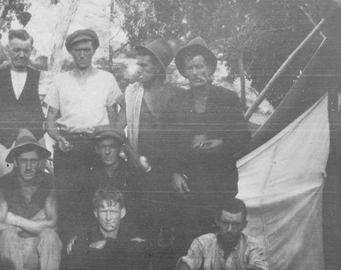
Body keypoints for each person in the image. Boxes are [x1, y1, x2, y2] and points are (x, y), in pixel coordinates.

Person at [44, 29, 123, 237]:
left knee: (98, 201)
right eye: (77, 50)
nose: (82, 54)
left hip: (96, 148)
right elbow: (50, 122)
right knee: (68, 204)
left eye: (86, 50)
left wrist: (111, 137)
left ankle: (96, 250)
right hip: (67, 147)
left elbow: (119, 113)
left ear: (94, 50)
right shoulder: (60, 81)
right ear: (70, 52)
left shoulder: (107, 79)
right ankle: (67, 256)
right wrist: (59, 138)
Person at [173, 37, 251, 241]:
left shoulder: (226, 98)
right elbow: (168, 143)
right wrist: (175, 172)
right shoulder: (177, 103)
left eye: (200, 66)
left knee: (221, 237)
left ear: (209, 68)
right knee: (191, 238)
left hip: (220, 181)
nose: (196, 73)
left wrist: (221, 143)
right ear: (185, 72)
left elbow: (243, 137)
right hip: (190, 185)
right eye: (190, 68)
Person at [118, 39, 184, 246]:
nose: (139, 69)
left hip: (169, 171)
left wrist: (175, 170)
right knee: (143, 224)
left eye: (144, 65)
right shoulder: (132, 93)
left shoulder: (175, 95)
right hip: (139, 170)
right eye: (138, 64)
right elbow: (117, 129)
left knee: (169, 227)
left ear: (158, 68)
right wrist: (132, 155)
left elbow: (182, 138)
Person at [0, 129, 64, 270]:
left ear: (40, 162)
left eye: (33, 161)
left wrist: (14, 219)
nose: (29, 166)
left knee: (50, 236)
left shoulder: (50, 181)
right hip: (13, 251)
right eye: (24, 161)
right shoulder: (3, 183)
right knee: (7, 235)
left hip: (40, 250)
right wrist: (38, 221)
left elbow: (53, 224)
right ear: (15, 161)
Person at [0, 29, 51, 180]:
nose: (21, 55)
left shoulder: (43, 79)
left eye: (26, 50)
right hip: (2, 143)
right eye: (16, 50)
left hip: (34, 143)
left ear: (31, 51)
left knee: (35, 192)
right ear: (8, 50)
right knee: (3, 190)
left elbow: (59, 105)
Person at [66, 188, 150, 270]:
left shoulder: (131, 230)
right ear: (96, 213)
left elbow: (145, 252)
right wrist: (123, 248)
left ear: (122, 213)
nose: (108, 217)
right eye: (104, 211)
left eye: (113, 211)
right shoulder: (86, 235)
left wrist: (105, 245)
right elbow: (77, 258)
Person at [86, 126, 141, 227]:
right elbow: (85, 213)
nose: (107, 152)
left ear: (119, 148)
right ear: (97, 149)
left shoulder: (131, 173)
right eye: (103, 147)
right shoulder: (89, 174)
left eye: (112, 146)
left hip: (127, 231)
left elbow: (139, 211)